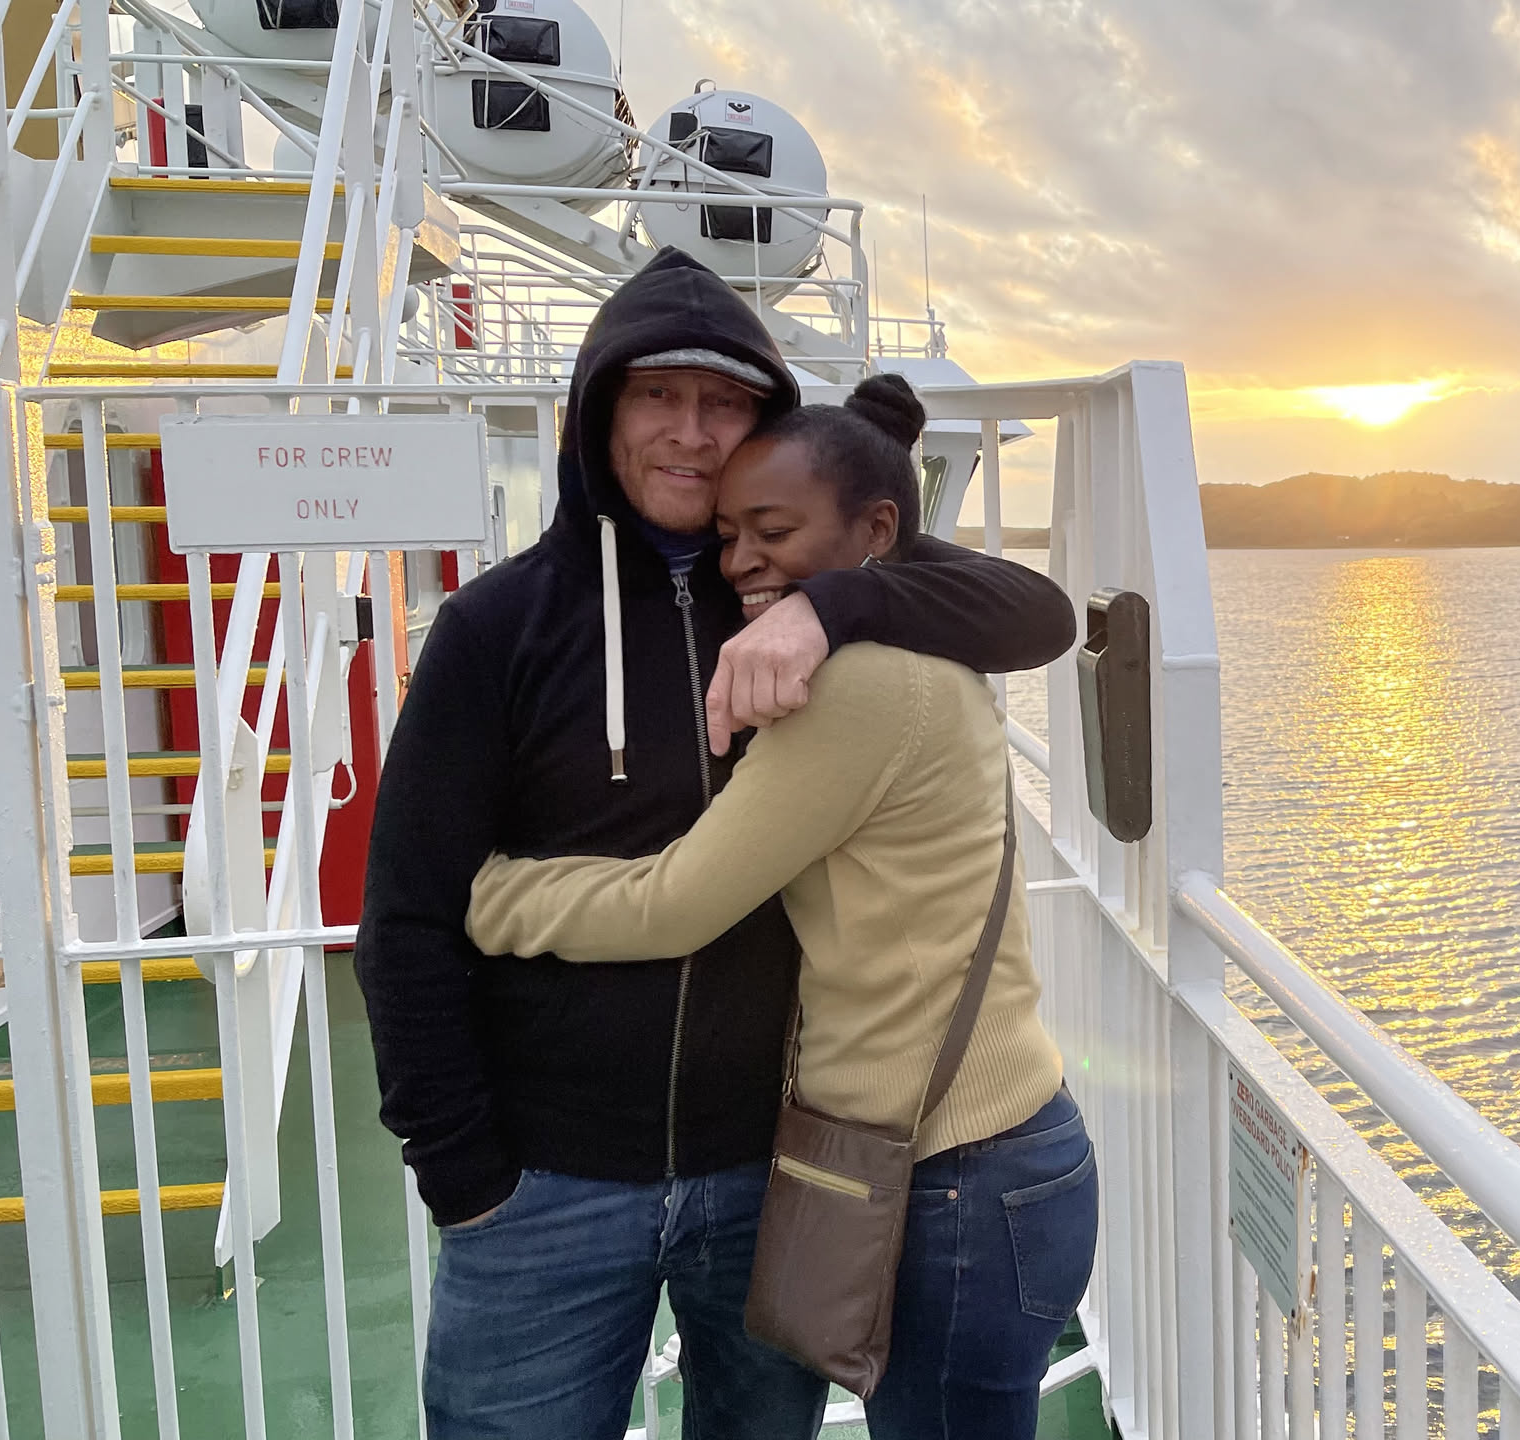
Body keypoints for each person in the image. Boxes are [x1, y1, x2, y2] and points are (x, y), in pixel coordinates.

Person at [354, 250, 1075, 1440]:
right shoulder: (497, 627)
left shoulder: (799, 587)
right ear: (599, 412)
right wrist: (463, 1171)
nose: (690, 432)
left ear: (766, 421)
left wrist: (835, 603)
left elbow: (1037, 612)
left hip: (765, 1170)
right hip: (545, 1185)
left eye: (725, 401)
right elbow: (406, 919)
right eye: (656, 395)